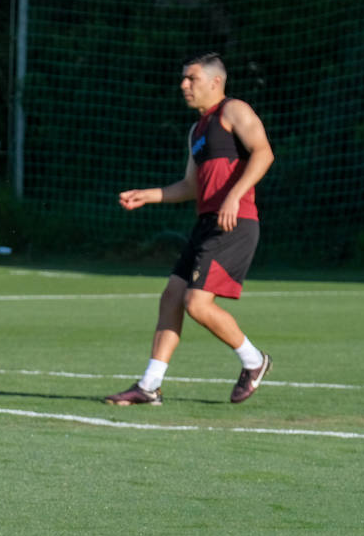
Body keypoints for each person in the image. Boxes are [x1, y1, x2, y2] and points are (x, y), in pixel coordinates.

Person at [105, 52, 274, 407]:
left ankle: (254, 361)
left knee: (196, 303)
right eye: (183, 79)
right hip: (206, 223)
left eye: (191, 79)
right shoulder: (196, 130)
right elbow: (190, 186)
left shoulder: (234, 110)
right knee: (172, 296)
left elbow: (263, 153)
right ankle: (149, 386)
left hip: (235, 222)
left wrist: (234, 197)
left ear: (215, 82)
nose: (184, 85)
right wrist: (146, 195)